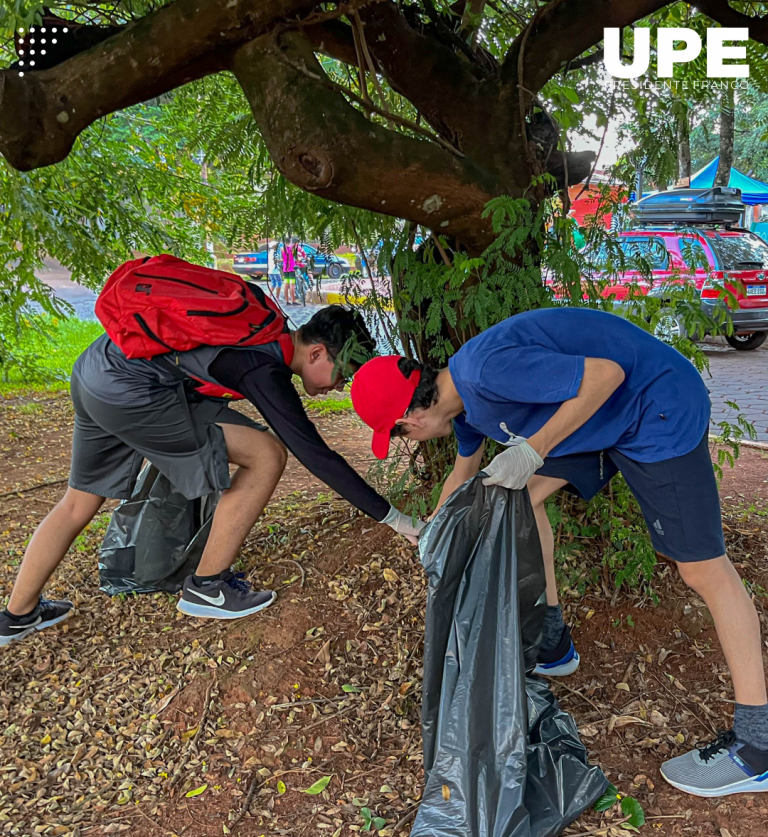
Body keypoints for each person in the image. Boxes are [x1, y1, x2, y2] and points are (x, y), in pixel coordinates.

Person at [350, 306, 768, 799]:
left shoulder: (485, 371)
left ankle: (756, 747)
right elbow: (460, 477)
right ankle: (553, 640)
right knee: (517, 497)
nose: (405, 440)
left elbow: (606, 375)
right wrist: (435, 535)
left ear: (413, 415)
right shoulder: (462, 404)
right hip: (606, 417)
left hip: (654, 406)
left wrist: (533, 448)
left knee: (702, 569)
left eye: (397, 433)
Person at [0, 305, 422, 643]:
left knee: (78, 500)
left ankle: (17, 615)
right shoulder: (265, 366)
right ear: (316, 353)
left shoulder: (261, 323)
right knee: (268, 454)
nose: (338, 387)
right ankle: (207, 586)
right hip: (133, 388)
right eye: (341, 375)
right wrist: (396, 519)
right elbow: (315, 454)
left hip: (96, 369)